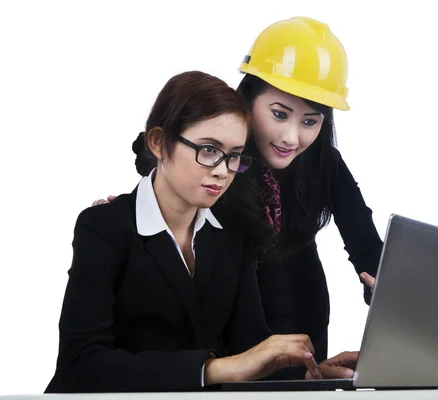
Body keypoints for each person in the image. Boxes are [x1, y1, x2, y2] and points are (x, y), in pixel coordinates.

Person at [92, 16, 382, 380]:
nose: (292, 137)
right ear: (248, 99)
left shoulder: (323, 163)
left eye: (310, 121)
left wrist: (390, 289)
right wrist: (126, 215)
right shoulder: (217, 162)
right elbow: (168, 174)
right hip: (231, 330)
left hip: (301, 312)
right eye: (279, 114)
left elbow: (367, 247)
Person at [45, 70, 336, 393]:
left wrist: (313, 372)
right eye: (209, 150)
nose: (223, 171)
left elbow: (251, 351)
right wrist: (214, 368)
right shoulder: (103, 227)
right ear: (158, 142)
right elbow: (80, 364)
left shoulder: (231, 237)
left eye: (234, 156)